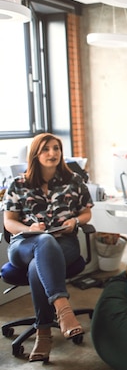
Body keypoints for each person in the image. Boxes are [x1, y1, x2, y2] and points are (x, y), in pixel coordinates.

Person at [2, 133, 93, 363]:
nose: (52, 153)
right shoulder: (18, 183)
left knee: (37, 264)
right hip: (25, 242)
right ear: (35, 154)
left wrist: (76, 222)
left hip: (64, 242)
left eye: (56, 148)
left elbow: (86, 212)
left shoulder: (74, 181)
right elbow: (9, 222)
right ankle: (63, 310)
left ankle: (43, 333)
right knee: (42, 241)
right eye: (45, 149)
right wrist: (31, 229)